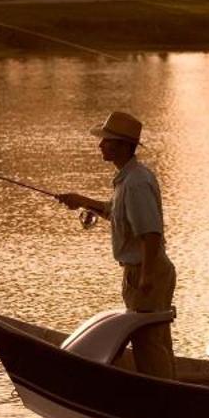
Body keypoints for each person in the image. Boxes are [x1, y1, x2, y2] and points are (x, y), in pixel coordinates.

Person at [55, 111, 178, 380]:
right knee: (152, 342)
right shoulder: (128, 179)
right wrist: (81, 200)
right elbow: (114, 211)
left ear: (123, 146)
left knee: (150, 344)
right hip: (141, 271)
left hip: (147, 272)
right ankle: (165, 389)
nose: (100, 145)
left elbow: (151, 233)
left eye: (107, 141)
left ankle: (164, 397)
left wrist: (145, 276)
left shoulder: (135, 183)